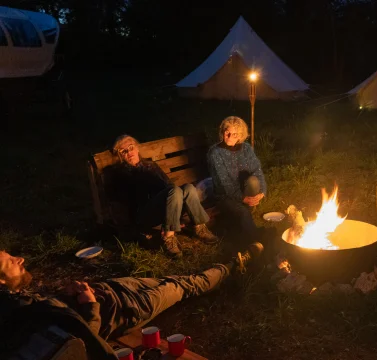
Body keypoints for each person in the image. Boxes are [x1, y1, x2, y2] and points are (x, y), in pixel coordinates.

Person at [0, 242, 263, 359]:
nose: (19, 259)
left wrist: (70, 294)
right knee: (184, 286)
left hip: (111, 289)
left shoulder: (14, 300)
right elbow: (81, 343)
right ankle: (234, 266)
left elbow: (60, 316)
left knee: (174, 279)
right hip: (126, 310)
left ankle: (222, 272)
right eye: (10, 261)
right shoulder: (20, 319)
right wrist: (90, 303)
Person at [106, 135, 217, 258]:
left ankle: (200, 227)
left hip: (164, 209)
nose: (129, 152)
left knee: (189, 188)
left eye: (131, 147)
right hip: (144, 214)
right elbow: (124, 203)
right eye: (124, 151)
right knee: (174, 191)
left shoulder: (151, 166)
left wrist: (173, 216)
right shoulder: (120, 174)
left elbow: (168, 185)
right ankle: (168, 238)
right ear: (120, 156)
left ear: (137, 149)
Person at [207, 116, 267, 241]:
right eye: (227, 132)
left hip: (244, 189)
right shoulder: (215, 153)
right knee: (243, 213)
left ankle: (248, 207)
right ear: (222, 132)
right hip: (225, 196)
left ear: (240, 135)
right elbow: (224, 184)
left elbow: (257, 170)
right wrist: (243, 198)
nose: (230, 136)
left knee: (254, 181)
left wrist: (262, 192)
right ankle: (256, 240)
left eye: (234, 134)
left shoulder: (246, 149)